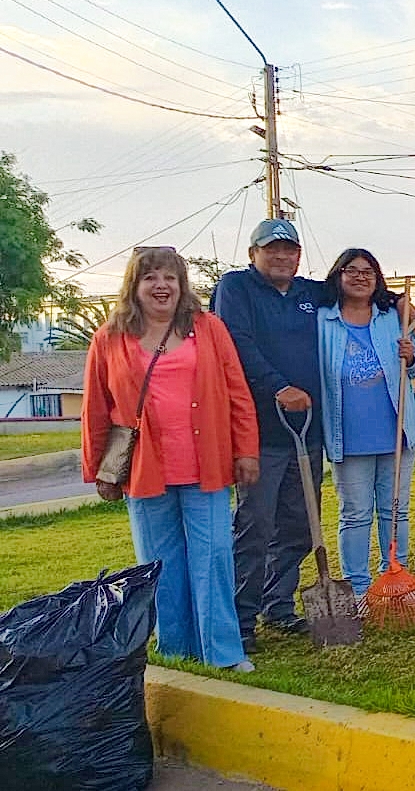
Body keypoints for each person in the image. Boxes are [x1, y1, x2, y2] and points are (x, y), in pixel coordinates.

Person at [82, 247, 260, 671]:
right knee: (159, 565)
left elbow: (238, 393)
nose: (161, 286)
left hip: (208, 465)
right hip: (144, 470)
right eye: (150, 278)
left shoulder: (209, 328)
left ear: (182, 286)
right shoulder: (109, 337)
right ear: (134, 286)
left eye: (170, 278)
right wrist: (98, 470)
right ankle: (175, 648)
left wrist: (246, 450)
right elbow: (95, 407)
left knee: (213, 557)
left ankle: (222, 652)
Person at [213, 218, 326, 653]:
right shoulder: (236, 288)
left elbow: (359, 294)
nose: (282, 257)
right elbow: (236, 344)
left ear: (299, 255)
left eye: (289, 250)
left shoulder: (308, 294)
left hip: (306, 432)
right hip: (256, 432)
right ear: (253, 254)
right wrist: (278, 386)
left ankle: (278, 607)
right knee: (255, 527)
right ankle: (242, 619)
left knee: (299, 525)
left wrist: (395, 304)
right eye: (272, 249)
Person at [316, 249, 415, 599]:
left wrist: (411, 356)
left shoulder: (390, 318)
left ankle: (394, 576)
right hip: (348, 437)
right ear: (337, 276)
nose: (360, 277)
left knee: (395, 511)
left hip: (396, 433)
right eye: (351, 270)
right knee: (355, 514)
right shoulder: (323, 321)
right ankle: (358, 588)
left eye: (368, 271)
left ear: (378, 278)